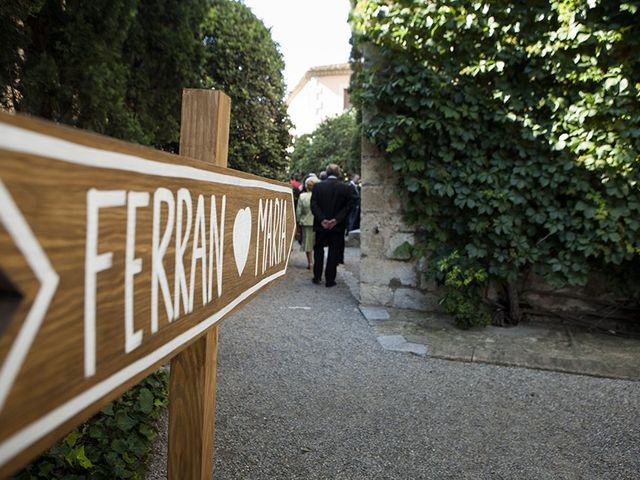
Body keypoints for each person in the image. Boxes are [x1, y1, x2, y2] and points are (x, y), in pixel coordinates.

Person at [310, 163, 358, 287]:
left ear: (327, 173)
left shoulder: (317, 187)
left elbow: (314, 205)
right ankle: (330, 280)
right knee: (333, 251)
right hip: (337, 227)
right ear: (338, 173)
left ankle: (317, 276)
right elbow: (348, 207)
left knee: (318, 250)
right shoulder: (345, 188)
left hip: (321, 225)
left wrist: (322, 220)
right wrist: (336, 220)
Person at [296, 176, 320, 269]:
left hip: (306, 222)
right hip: (317, 222)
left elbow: (299, 211)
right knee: (316, 243)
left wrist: (298, 222)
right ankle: (316, 261)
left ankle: (310, 262)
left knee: (308, 244)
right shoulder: (319, 196)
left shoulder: (302, 196)